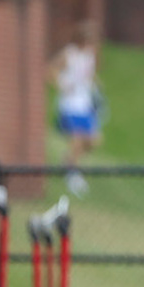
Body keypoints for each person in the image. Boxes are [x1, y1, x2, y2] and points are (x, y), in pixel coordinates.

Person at [50, 21, 102, 195]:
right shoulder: (69, 54)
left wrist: (97, 87)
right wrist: (63, 84)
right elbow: (50, 71)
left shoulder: (90, 56)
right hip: (70, 104)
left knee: (94, 140)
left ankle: (68, 161)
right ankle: (72, 174)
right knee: (77, 139)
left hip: (84, 104)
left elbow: (89, 77)